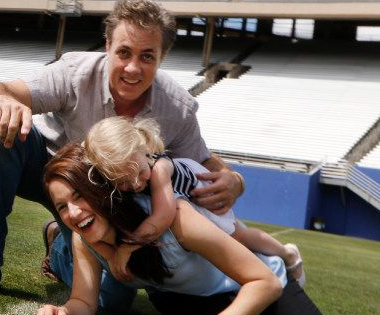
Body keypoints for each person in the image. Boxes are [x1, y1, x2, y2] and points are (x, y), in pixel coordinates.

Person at [0, 0, 245, 301]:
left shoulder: (177, 107)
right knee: (0, 135)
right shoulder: (75, 72)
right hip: (44, 170)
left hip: (100, 199)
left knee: (111, 298)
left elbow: (203, 160)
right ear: (107, 46)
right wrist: (2, 100)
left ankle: (59, 245)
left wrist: (235, 180)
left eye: (147, 56)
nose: (132, 67)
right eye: (124, 52)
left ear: (163, 56)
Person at [28, 144, 347, 315]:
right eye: (61, 207)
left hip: (255, 279)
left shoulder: (174, 216)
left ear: (102, 189)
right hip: (188, 297)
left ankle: (263, 311)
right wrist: (62, 313)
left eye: (79, 196)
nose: (73, 213)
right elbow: (84, 304)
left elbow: (262, 281)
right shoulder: (86, 241)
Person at [83, 116, 305, 286]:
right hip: (184, 201)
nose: (136, 185)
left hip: (198, 193)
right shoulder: (130, 172)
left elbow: (163, 216)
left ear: (144, 150)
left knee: (237, 236)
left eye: (140, 173)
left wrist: (126, 247)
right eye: (123, 182)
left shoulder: (160, 169)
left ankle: (287, 254)